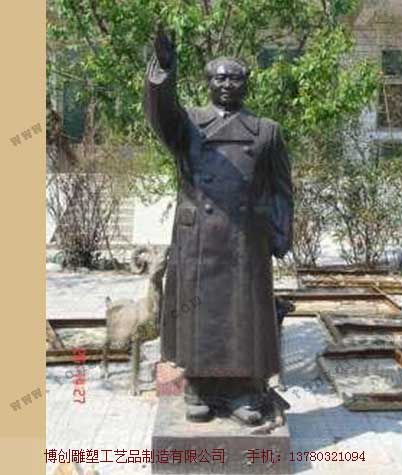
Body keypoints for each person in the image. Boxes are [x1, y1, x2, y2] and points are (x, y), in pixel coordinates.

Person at [144, 26, 293, 425]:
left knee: (242, 315)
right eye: (219, 78)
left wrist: (281, 232)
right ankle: (198, 387)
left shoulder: (267, 131)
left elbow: (281, 187)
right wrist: (164, 69)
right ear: (207, 83)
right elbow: (160, 113)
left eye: (235, 78)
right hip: (199, 239)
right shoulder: (189, 125)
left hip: (246, 240)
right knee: (199, 314)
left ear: (247, 83)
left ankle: (244, 391)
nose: (227, 84)